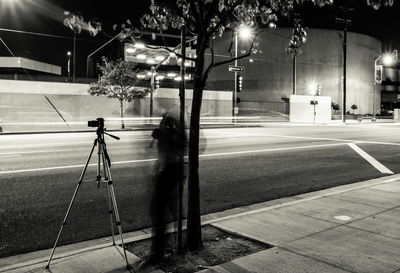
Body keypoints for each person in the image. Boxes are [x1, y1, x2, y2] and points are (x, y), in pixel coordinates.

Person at [148, 111, 185, 264]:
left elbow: (178, 144)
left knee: (157, 210)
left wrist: (164, 134)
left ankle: (159, 252)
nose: (160, 124)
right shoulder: (167, 135)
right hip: (167, 173)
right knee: (170, 210)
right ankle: (174, 245)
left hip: (171, 173)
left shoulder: (173, 136)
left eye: (164, 122)